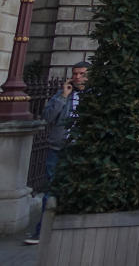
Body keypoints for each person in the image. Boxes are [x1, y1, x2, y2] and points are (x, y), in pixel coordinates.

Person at [27, 61, 88, 245]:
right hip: (58, 148)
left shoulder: (95, 96)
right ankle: (42, 231)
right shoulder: (61, 95)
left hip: (81, 149)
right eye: (75, 73)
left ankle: (72, 229)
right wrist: (63, 95)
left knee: (79, 188)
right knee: (51, 190)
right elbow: (47, 117)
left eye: (81, 74)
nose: (77, 77)